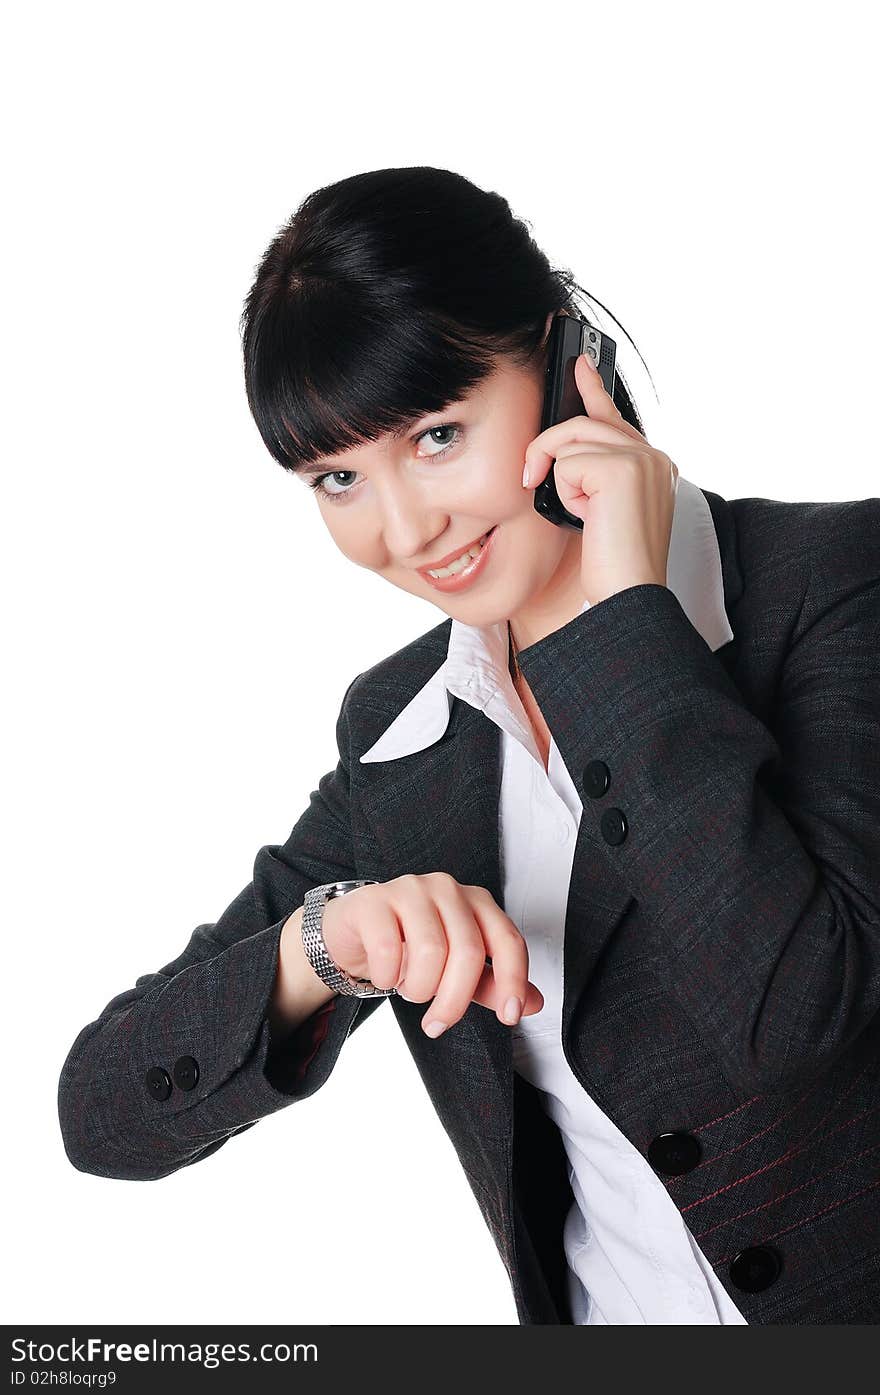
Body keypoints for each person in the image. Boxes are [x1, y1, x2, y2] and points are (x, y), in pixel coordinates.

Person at [58, 166, 880, 1325]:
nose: (404, 531)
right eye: (338, 477)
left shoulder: (837, 589)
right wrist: (323, 948)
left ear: (561, 366)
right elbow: (103, 1114)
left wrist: (623, 624)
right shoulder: (407, 741)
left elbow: (795, 1010)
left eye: (438, 434)